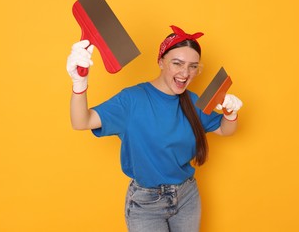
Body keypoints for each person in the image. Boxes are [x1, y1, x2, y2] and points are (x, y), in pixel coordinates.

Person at [66, 25, 243, 232]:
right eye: (177, 63)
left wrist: (231, 114)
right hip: (146, 203)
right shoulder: (132, 99)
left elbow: (225, 130)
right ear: (161, 62)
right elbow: (81, 122)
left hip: (187, 196)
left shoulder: (193, 101)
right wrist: (80, 83)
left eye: (193, 66)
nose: (185, 73)